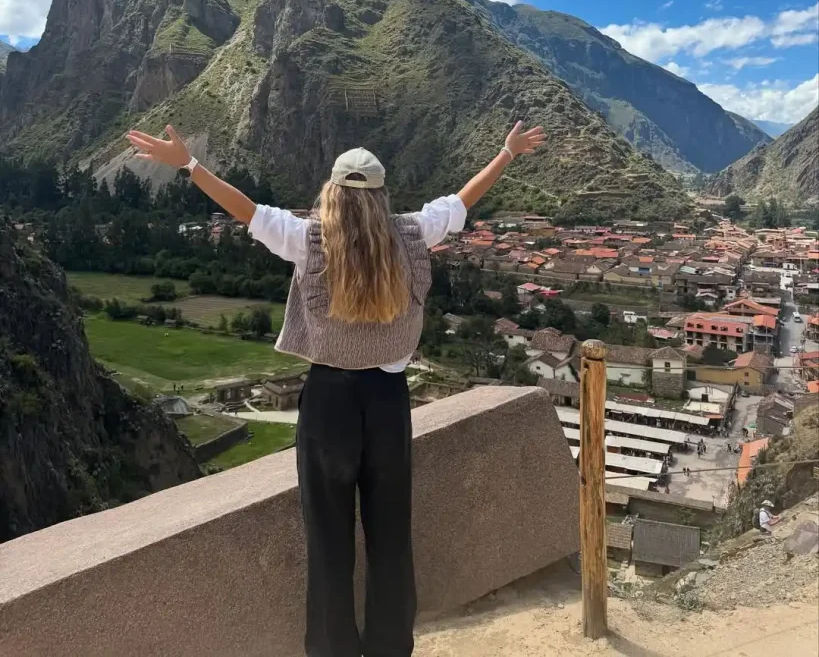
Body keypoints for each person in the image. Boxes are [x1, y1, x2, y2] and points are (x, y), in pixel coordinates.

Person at [125, 119, 545, 657]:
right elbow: (460, 202)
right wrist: (505, 154)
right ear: (381, 194)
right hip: (389, 405)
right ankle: (390, 648)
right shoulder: (414, 232)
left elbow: (246, 210)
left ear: (332, 190)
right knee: (390, 537)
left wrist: (188, 165)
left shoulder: (308, 240)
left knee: (328, 540)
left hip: (327, 405)